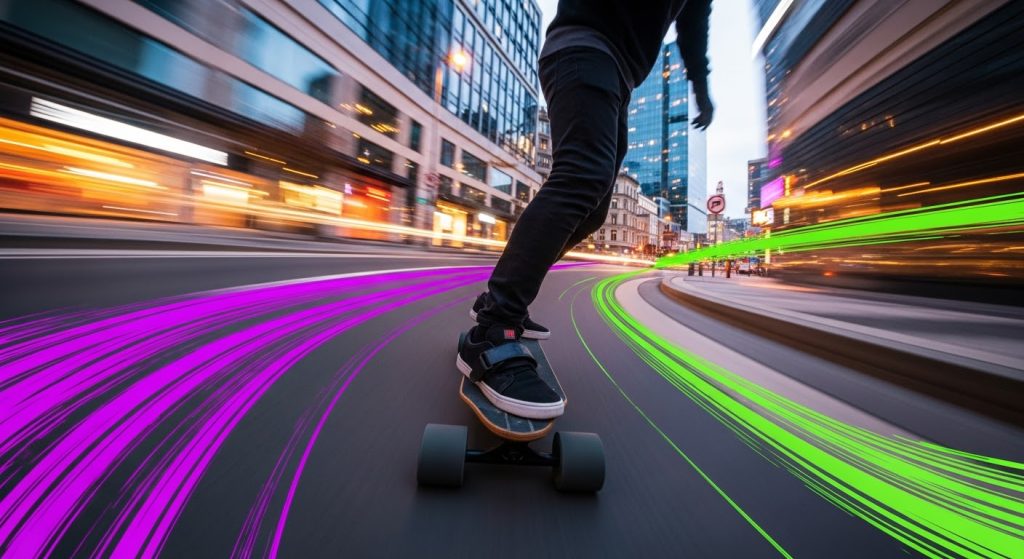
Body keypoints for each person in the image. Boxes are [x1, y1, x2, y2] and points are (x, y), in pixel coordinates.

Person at [457, 0, 714, 419]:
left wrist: (701, 87)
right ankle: (492, 327)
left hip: (617, 76)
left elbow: (693, 24)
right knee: (580, 179)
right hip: (584, 47)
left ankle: (500, 301)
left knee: (593, 209)